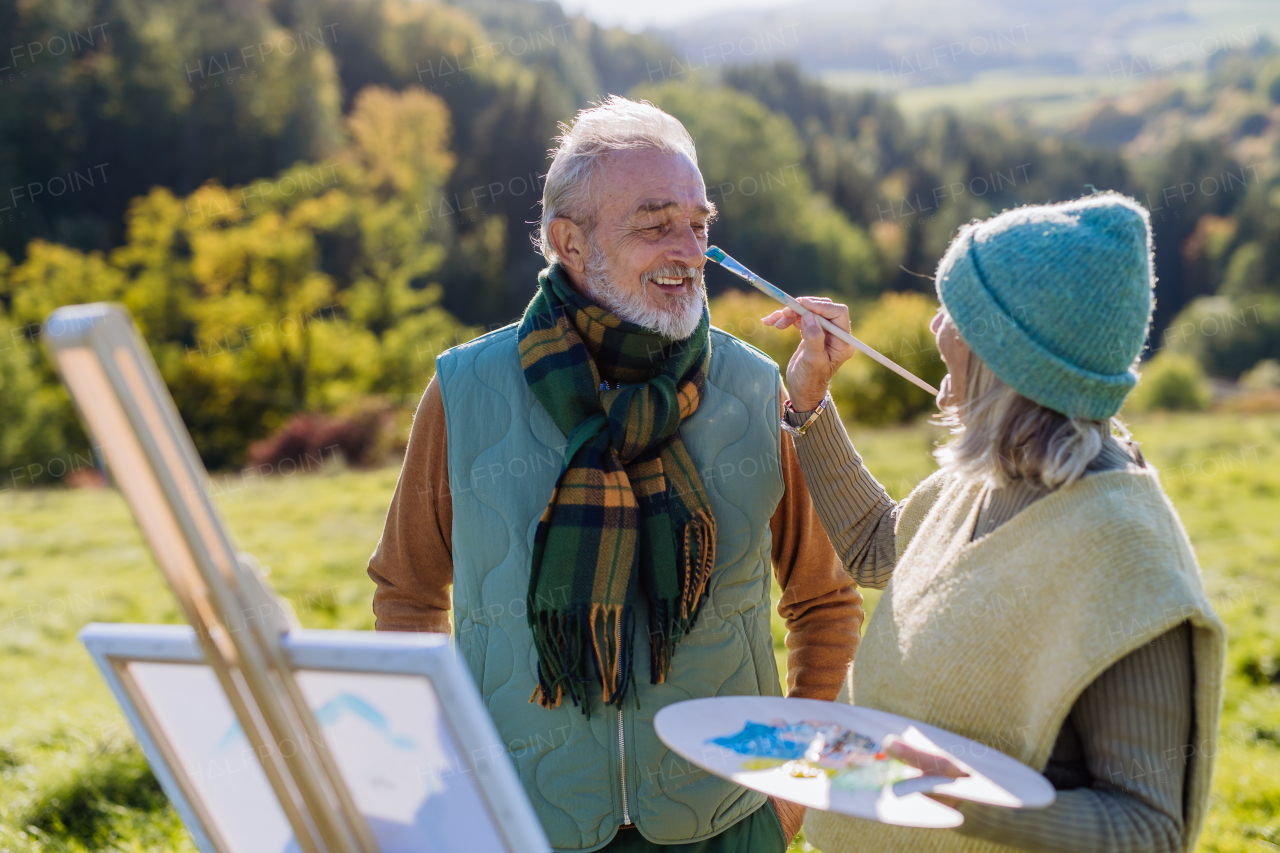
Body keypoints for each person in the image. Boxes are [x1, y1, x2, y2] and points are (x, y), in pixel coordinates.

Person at [366, 95, 864, 852]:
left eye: (699, 224)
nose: (690, 250)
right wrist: (445, 785)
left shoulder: (762, 390)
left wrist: (790, 796)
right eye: (655, 223)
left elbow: (826, 601)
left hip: (728, 824)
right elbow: (407, 597)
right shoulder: (463, 391)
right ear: (569, 241)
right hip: (518, 826)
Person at [761, 193, 1226, 853]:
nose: (935, 328)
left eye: (957, 314)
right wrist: (809, 401)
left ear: (1010, 359)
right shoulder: (994, 474)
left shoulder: (1127, 559)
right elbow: (875, 548)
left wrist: (962, 799)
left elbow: (1149, 830)